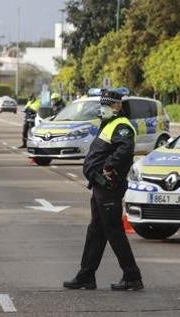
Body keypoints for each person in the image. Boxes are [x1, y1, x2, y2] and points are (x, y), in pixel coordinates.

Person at [64, 89, 143, 291]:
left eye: (107, 105)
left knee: (114, 231)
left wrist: (108, 167)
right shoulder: (108, 124)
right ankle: (86, 275)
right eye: (102, 105)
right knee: (96, 232)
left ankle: (132, 276)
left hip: (109, 187)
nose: (103, 108)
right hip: (100, 186)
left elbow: (125, 150)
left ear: (117, 106)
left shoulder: (122, 126)